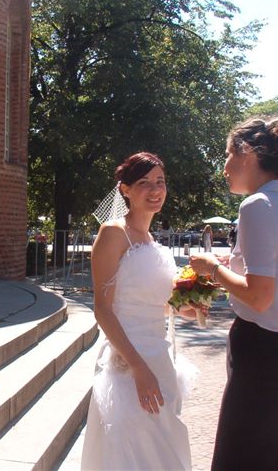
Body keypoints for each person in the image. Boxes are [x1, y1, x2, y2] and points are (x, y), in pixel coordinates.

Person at [190, 115, 278, 471]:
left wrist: (212, 269)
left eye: (228, 155)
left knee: (240, 458)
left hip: (258, 350)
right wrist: (233, 266)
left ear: (247, 153)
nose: (225, 168)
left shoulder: (257, 205)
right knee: (269, 457)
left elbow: (259, 296)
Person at [81, 152, 195, 470]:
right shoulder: (113, 233)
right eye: (144, 183)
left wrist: (189, 307)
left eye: (160, 181)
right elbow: (103, 310)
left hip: (160, 356)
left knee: (161, 451)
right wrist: (139, 369)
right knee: (131, 452)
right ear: (126, 190)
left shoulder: (152, 241)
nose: (155, 189)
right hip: (129, 362)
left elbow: (159, 304)